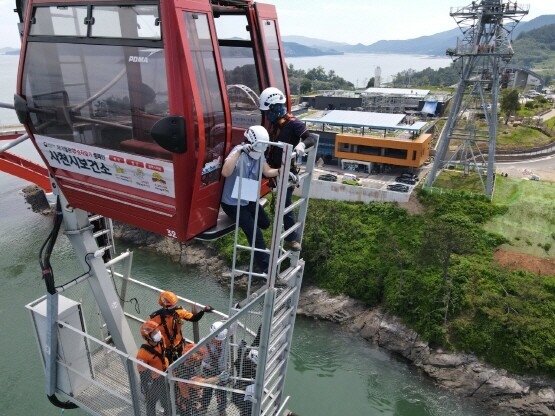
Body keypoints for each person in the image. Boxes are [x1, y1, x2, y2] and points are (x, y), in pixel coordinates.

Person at [259, 87, 316, 252]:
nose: (266, 115)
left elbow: (310, 138)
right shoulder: (274, 125)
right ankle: (257, 216)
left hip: (286, 171)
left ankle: (292, 239)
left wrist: (301, 145)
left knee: (285, 203)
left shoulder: (293, 124)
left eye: (267, 111)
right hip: (270, 168)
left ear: (275, 108)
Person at [220, 125, 279, 275]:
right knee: (256, 235)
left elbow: (267, 171)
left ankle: (246, 222)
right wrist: (239, 152)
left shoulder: (259, 154)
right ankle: (267, 271)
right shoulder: (238, 152)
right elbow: (225, 172)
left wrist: (282, 171)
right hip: (233, 202)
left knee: (265, 223)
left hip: (247, 195)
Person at [150, 290, 213, 363]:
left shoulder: (154, 317)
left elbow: (148, 332)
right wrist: (203, 310)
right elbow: (195, 318)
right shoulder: (179, 312)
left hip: (163, 347)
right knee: (179, 363)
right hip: (177, 346)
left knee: (167, 365)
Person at [136, 320, 171, 416]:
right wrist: (147, 387)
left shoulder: (161, 340)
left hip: (165, 373)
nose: (158, 333)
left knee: (166, 402)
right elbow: (143, 372)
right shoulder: (142, 354)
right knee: (151, 403)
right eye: (154, 332)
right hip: (155, 380)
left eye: (157, 331)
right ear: (148, 336)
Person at [199, 321, 230, 416]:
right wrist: (206, 365)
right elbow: (197, 358)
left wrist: (236, 309)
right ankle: (204, 407)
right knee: (207, 390)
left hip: (221, 370)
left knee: (222, 391)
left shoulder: (224, 340)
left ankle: (222, 409)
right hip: (208, 370)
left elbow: (233, 325)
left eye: (221, 340)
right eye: (217, 340)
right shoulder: (203, 343)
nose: (219, 342)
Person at [232, 340, 258, 416]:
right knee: (248, 409)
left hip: (239, 393)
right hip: (240, 395)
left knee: (248, 408)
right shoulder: (249, 368)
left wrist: (242, 347)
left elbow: (241, 356)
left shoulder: (241, 363)